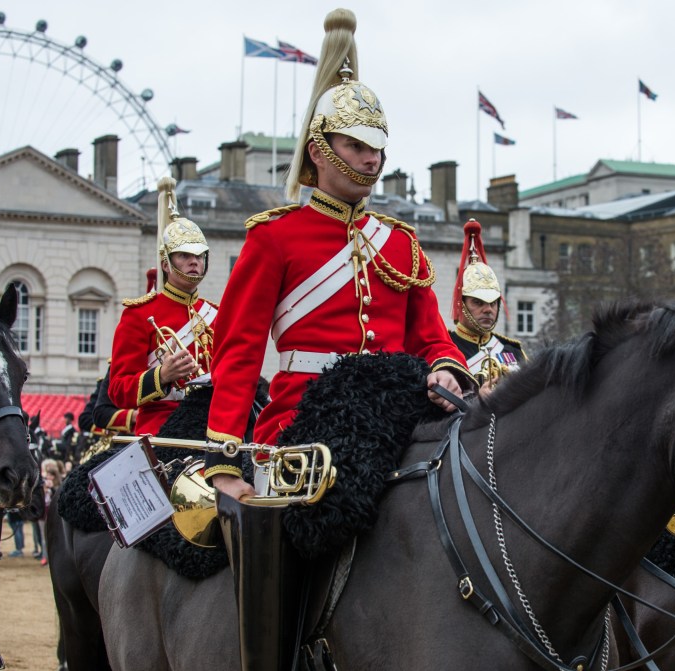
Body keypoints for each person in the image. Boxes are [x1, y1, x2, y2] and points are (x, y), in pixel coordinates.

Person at [202, 9, 472, 670]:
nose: (370, 158)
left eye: (376, 146)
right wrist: (224, 459)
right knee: (282, 538)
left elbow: (434, 337)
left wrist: (445, 369)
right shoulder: (274, 238)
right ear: (319, 149)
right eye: (354, 145)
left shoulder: (400, 242)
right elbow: (238, 350)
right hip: (301, 420)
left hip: (395, 414)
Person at [108, 177, 217, 435]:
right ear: (166, 264)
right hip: (161, 430)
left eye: (199, 256)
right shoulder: (139, 315)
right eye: (185, 256)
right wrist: (162, 375)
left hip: (212, 427)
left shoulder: (215, 314)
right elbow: (117, 390)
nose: (194, 262)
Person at [449, 219, 527, 390]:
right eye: (478, 302)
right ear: (462, 304)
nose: (488, 310)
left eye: (493, 303)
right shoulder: (447, 347)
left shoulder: (512, 351)